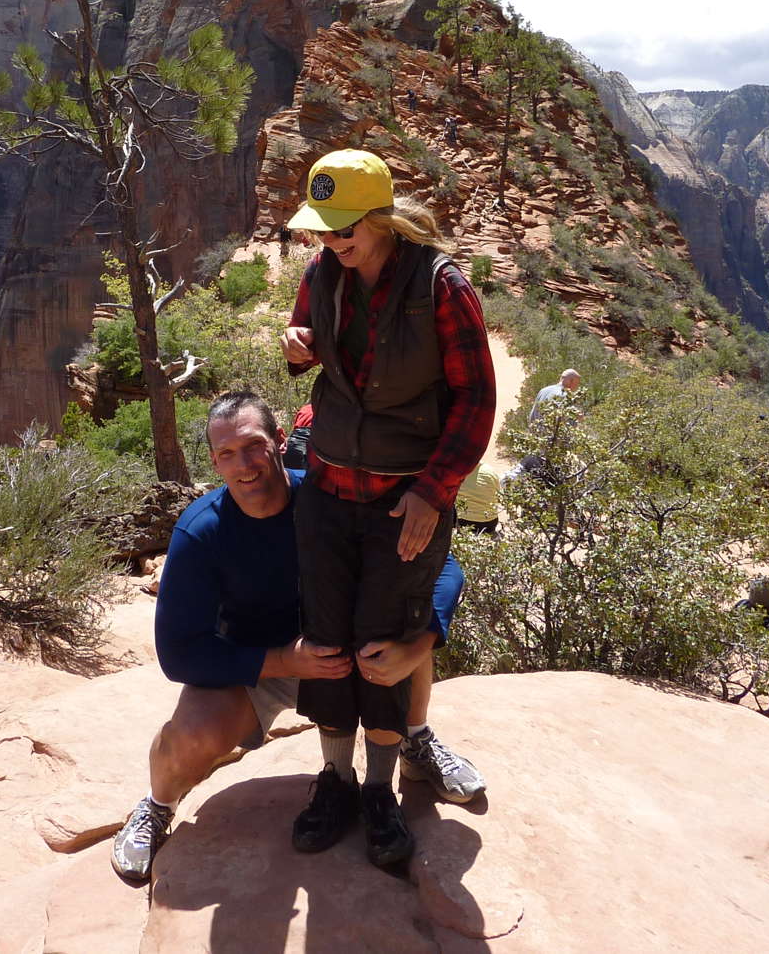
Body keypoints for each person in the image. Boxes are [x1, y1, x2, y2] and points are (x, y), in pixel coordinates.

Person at [109, 391, 484, 886]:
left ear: (280, 442)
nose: (244, 465)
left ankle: (414, 740)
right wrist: (284, 660)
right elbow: (179, 653)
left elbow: (442, 569)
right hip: (261, 664)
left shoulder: (330, 502)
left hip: (350, 649)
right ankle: (157, 806)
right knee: (195, 730)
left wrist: (420, 644)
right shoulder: (203, 531)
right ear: (215, 462)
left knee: (403, 623)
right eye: (227, 453)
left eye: (253, 446)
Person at [281, 148, 495, 870]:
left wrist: (434, 492)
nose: (329, 239)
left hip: (402, 499)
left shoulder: (440, 285)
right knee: (328, 641)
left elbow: (475, 399)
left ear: (380, 219)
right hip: (328, 489)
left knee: (382, 645)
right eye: (323, 227)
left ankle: (378, 790)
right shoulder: (323, 273)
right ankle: (335, 779)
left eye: (342, 227)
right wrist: (296, 348)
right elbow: (307, 348)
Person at [454, 462, 500, 534]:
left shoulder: (456, 472)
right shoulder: (490, 471)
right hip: (490, 523)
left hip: (464, 522)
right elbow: (497, 496)